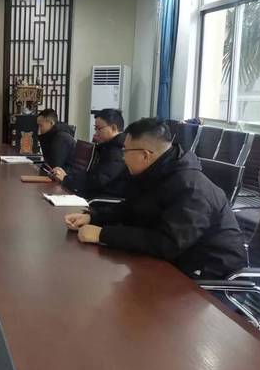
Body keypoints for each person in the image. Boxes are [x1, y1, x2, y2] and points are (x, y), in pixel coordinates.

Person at [64, 118, 247, 278]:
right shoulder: (156, 173)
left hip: (207, 280)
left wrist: (103, 234)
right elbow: (131, 208)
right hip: (173, 265)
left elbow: (167, 243)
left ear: (145, 155)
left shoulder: (190, 188)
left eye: (125, 151)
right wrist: (93, 217)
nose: (123, 157)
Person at [52, 108, 130, 198]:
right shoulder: (108, 147)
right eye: (95, 128)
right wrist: (67, 175)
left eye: (99, 129)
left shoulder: (117, 151)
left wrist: (66, 179)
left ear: (113, 128)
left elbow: (98, 181)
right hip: (94, 194)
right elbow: (91, 175)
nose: (96, 133)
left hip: (102, 199)